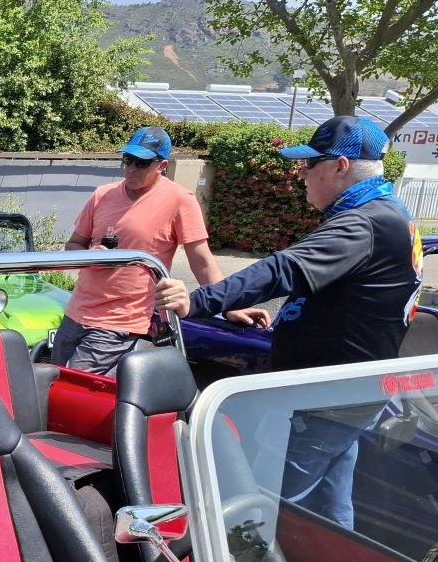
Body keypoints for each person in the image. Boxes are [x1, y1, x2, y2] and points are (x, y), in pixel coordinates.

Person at [155, 115, 422, 529]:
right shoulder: (390, 212)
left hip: (328, 398)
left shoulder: (363, 224)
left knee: (265, 509)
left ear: (340, 166)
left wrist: (197, 301)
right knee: (331, 506)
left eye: (310, 164)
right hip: (351, 393)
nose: (301, 173)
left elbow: (284, 269)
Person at [51, 126, 267, 376]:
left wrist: (230, 305)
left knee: (74, 388)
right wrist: (93, 254)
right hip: (76, 312)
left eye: (141, 163)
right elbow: (73, 244)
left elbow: (202, 261)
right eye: (128, 160)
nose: (131, 168)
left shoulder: (179, 199)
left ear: (161, 165)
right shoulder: (103, 195)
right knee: (53, 384)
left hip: (120, 321)